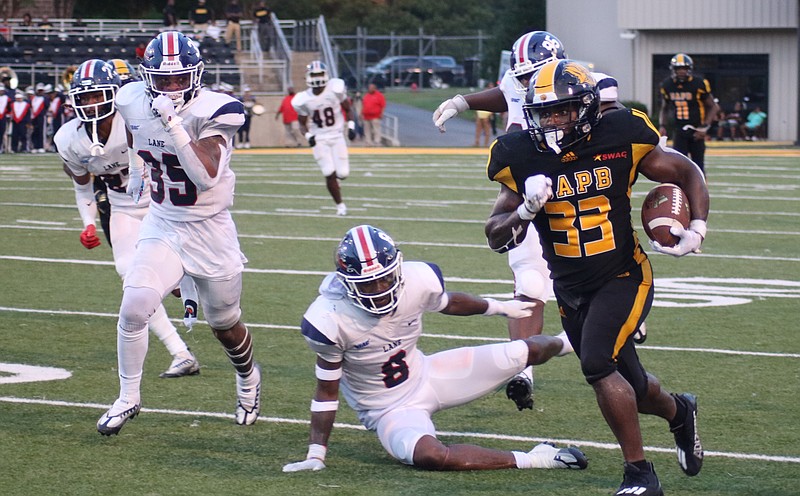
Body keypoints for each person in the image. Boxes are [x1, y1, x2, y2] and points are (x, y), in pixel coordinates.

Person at [484, 59, 708, 496]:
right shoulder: (520, 153)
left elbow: (685, 171)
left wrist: (697, 226)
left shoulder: (620, 134)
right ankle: (680, 412)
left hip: (624, 274)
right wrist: (525, 210)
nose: (552, 120)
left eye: (563, 110)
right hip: (570, 287)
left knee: (597, 363)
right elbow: (495, 236)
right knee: (638, 388)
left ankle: (640, 476)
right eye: (544, 112)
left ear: (586, 107)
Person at [432, 31, 638, 413]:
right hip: (529, 184)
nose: (530, 86)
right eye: (523, 77)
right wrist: (461, 101)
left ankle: (624, 318)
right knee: (529, 280)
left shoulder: (584, 82)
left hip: (577, 188)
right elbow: (506, 92)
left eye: (535, 75)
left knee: (596, 267)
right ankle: (523, 371)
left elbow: (617, 122)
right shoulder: (518, 81)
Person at [282, 224, 586, 473]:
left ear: (397, 268)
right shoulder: (327, 319)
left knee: (521, 352)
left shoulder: (417, 280)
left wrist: (498, 307)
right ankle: (538, 458)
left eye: (384, 278)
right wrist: (316, 453)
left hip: (429, 374)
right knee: (431, 455)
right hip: (389, 411)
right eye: (367, 284)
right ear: (347, 283)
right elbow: (326, 391)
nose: (379, 290)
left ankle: (570, 342)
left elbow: (448, 302)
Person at [96, 31, 261, 435]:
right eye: (163, 80)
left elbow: (204, 176)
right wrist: (138, 170)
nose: (171, 87)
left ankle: (248, 378)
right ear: (147, 76)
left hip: (210, 229)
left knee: (224, 323)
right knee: (135, 305)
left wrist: (172, 122)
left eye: (179, 79)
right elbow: (135, 132)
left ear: (196, 75)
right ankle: (128, 398)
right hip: (163, 222)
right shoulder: (132, 97)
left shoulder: (216, 109)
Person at [56, 59, 201, 390]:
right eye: (86, 97)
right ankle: (180, 351)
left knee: (195, 279)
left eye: (98, 96)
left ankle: (183, 278)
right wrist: (88, 223)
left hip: (160, 205)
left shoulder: (136, 116)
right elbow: (82, 186)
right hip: (122, 209)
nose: (92, 104)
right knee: (129, 274)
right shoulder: (69, 138)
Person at [292, 61, 356, 216]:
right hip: (319, 138)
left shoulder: (335, 89)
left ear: (326, 74)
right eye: (314, 74)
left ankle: (337, 180)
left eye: (320, 74)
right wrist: (308, 136)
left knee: (343, 173)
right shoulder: (303, 98)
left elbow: (348, 108)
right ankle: (340, 205)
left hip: (337, 135)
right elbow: (301, 123)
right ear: (308, 77)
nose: (317, 77)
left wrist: (351, 126)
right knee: (328, 172)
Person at [658, 53, 719, 174]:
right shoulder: (667, 85)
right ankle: (681, 192)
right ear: (673, 69)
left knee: (698, 167)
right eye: (678, 68)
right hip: (679, 130)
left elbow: (713, 107)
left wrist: (704, 127)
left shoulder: (699, 83)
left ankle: (701, 192)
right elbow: (664, 107)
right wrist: (663, 125)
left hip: (697, 129)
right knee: (679, 166)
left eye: (684, 68)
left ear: (689, 69)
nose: (681, 71)